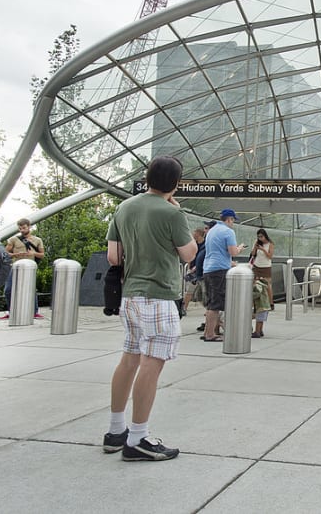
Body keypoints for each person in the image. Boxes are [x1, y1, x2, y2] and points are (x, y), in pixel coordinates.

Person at [103, 156, 197, 461]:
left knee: (129, 358)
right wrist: (175, 210)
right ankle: (138, 438)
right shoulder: (172, 213)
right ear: (176, 184)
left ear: (147, 178)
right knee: (151, 363)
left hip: (130, 296)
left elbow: (113, 257)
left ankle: (115, 431)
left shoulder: (124, 207)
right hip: (159, 296)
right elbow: (188, 254)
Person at [201, 209, 247, 342]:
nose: (233, 223)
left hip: (207, 268)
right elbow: (233, 252)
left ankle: (207, 332)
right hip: (219, 269)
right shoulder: (228, 232)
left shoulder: (212, 230)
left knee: (211, 302)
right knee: (216, 304)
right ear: (229, 219)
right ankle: (210, 334)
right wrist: (239, 248)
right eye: (233, 220)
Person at [0, 218, 46, 320]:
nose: (22, 230)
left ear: (29, 227)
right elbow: (5, 253)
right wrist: (15, 254)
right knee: (8, 290)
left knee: (31, 289)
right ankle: (11, 311)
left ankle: (34, 312)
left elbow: (42, 255)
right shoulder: (13, 239)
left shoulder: (37, 240)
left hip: (30, 267)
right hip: (15, 266)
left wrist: (33, 253)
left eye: (24, 228)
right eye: (20, 228)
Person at [182, 227, 207, 312]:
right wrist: (189, 267)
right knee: (189, 290)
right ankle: (184, 308)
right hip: (193, 271)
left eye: (195, 233)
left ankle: (209, 310)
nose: (193, 234)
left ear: (199, 234)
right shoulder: (193, 244)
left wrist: (195, 267)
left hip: (202, 271)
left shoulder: (206, 245)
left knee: (204, 292)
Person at [250, 228, 275, 311]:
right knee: (254, 284)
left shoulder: (270, 244)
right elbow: (253, 254)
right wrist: (255, 247)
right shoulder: (256, 242)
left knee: (267, 285)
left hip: (266, 266)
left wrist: (263, 249)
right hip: (256, 265)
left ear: (265, 236)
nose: (260, 238)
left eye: (261, 236)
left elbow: (270, 256)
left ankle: (271, 303)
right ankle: (254, 304)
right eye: (258, 237)